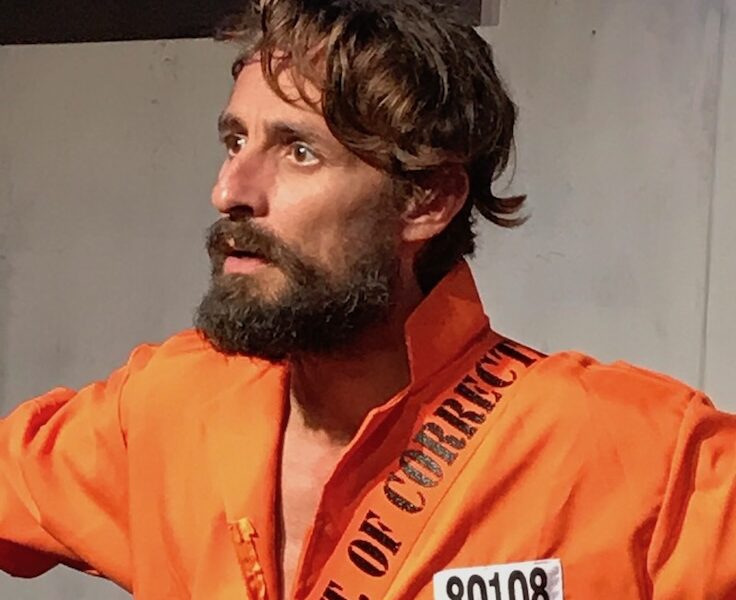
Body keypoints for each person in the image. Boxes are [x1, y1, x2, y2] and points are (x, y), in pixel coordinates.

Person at [1, 0, 735, 598]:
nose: (229, 192)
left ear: (426, 200)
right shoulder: (167, 406)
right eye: (235, 142)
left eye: (299, 152)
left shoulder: (642, 460)